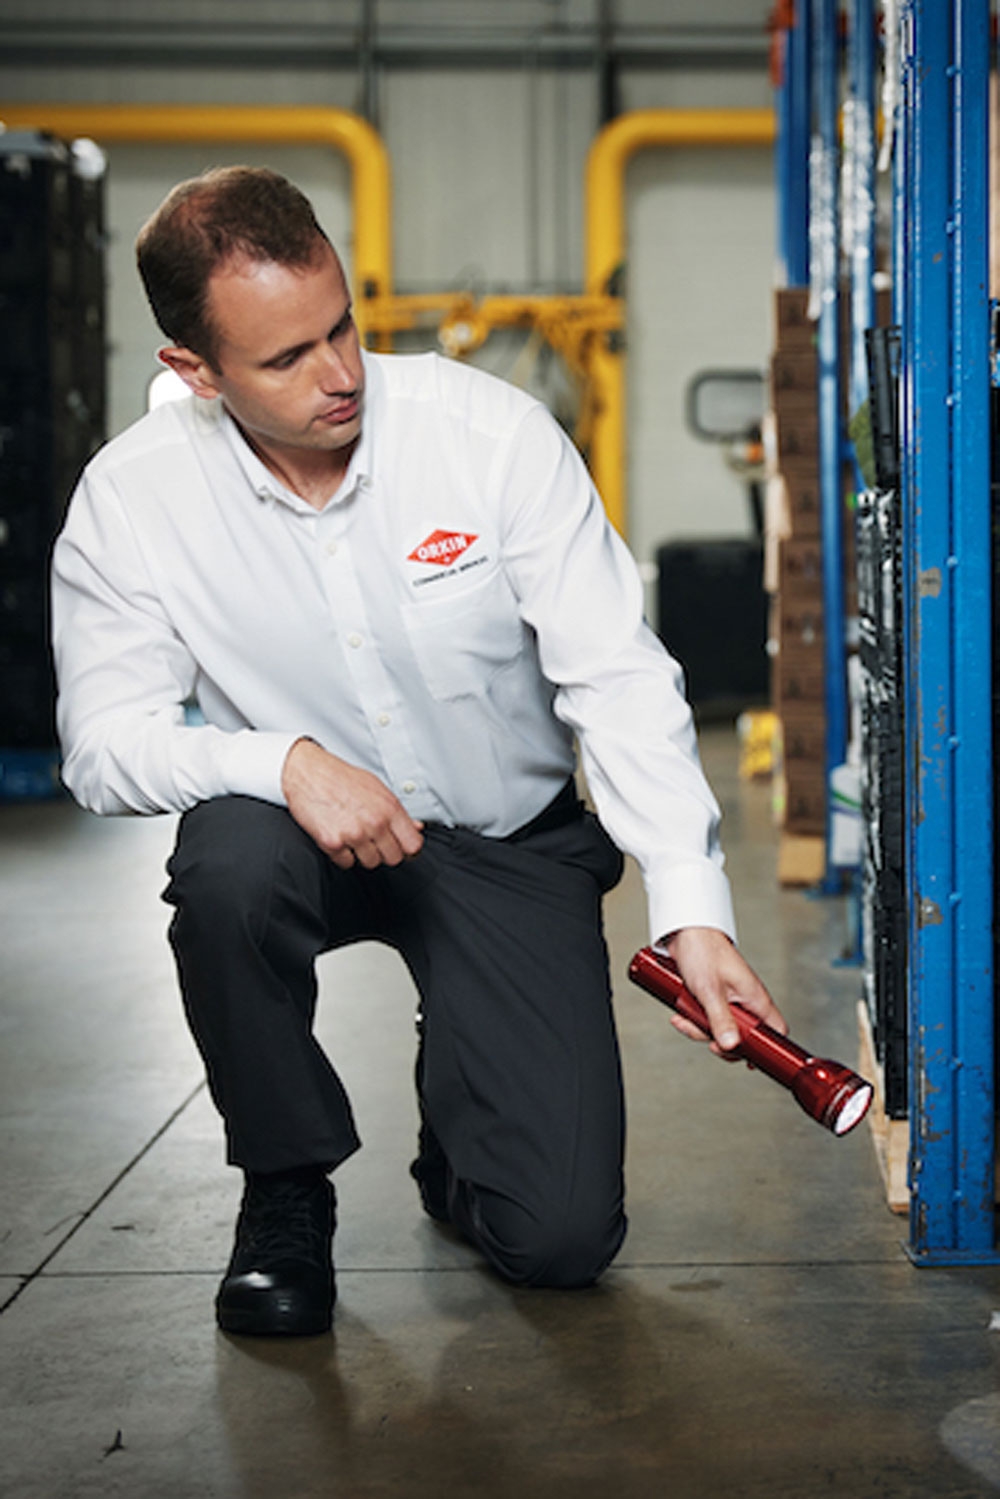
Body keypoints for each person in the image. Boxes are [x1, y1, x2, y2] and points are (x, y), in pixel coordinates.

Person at [51, 166, 786, 1338]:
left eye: (339, 327)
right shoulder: (134, 500)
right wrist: (283, 760)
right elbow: (99, 744)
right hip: (308, 842)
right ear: (191, 371)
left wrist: (689, 904)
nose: (338, 374)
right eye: (285, 359)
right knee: (226, 863)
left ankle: (461, 1127)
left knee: (556, 1243)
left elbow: (616, 675)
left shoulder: (483, 437)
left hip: (509, 840)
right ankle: (284, 1190)